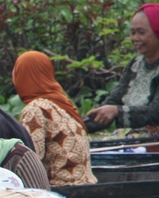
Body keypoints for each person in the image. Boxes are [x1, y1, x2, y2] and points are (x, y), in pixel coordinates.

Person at [12, 51, 97, 186]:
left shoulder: (36, 109)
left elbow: (30, 159)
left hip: (61, 186)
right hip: (87, 183)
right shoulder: (62, 103)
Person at [87, 4, 159, 134]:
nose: (135, 38)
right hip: (134, 139)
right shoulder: (135, 64)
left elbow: (157, 112)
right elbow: (114, 101)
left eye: (141, 32)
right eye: (132, 32)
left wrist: (116, 111)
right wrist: (76, 125)